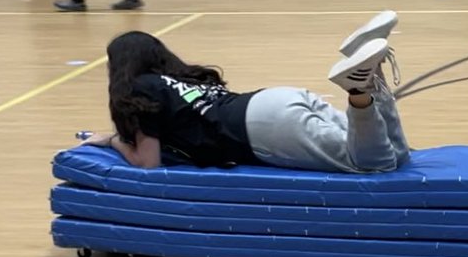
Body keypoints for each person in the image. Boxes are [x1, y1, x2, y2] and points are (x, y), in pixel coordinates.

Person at [77, 10, 410, 174]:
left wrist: (114, 140)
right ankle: (372, 68)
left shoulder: (139, 90)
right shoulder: (180, 79)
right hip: (276, 98)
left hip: (263, 129)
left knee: (375, 164)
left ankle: (359, 88)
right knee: (397, 155)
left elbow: (146, 163)